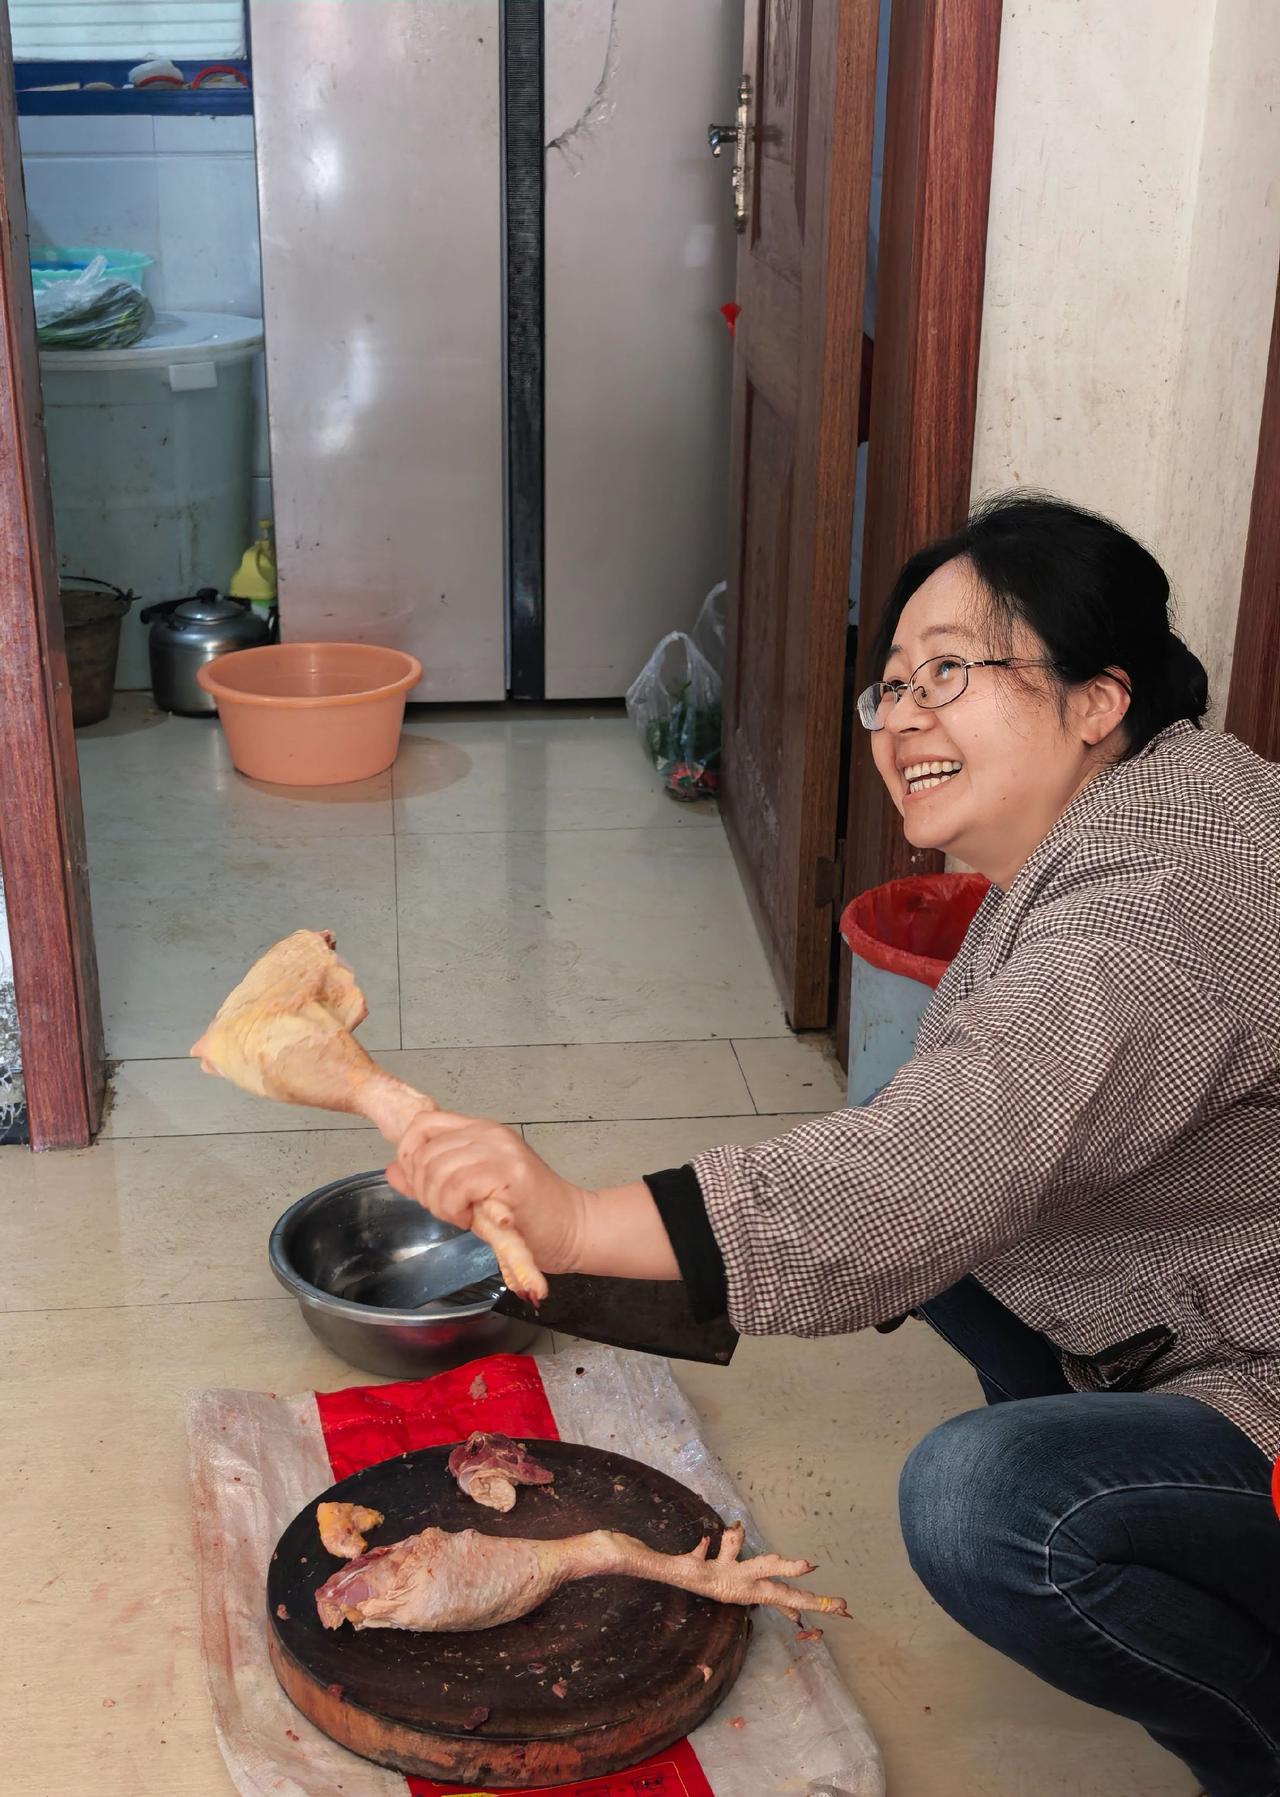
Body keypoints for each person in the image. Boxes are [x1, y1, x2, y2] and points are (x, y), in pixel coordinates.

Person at [386, 492, 1280, 1797]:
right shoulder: (1128, 816)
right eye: (894, 684)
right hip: (1203, 1286)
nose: (904, 717)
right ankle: (1122, 1445)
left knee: (987, 1506)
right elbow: (941, 1147)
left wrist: (574, 1222)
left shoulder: (1164, 893)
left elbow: (933, 1168)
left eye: (950, 672)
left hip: (1259, 1362)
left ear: (1098, 699)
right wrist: (576, 1259)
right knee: (921, 1216)